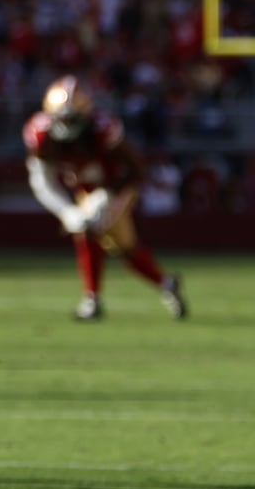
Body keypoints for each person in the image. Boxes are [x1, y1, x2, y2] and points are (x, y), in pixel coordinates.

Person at [23, 75, 187, 321]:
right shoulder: (41, 134)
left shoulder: (102, 129)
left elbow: (135, 170)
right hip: (85, 190)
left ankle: (94, 301)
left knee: (100, 233)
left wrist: (109, 197)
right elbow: (42, 183)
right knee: (114, 243)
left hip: (117, 187)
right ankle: (164, 284)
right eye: (62, 118)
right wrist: (66, 211)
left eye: (72, 118)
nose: (66, 125)